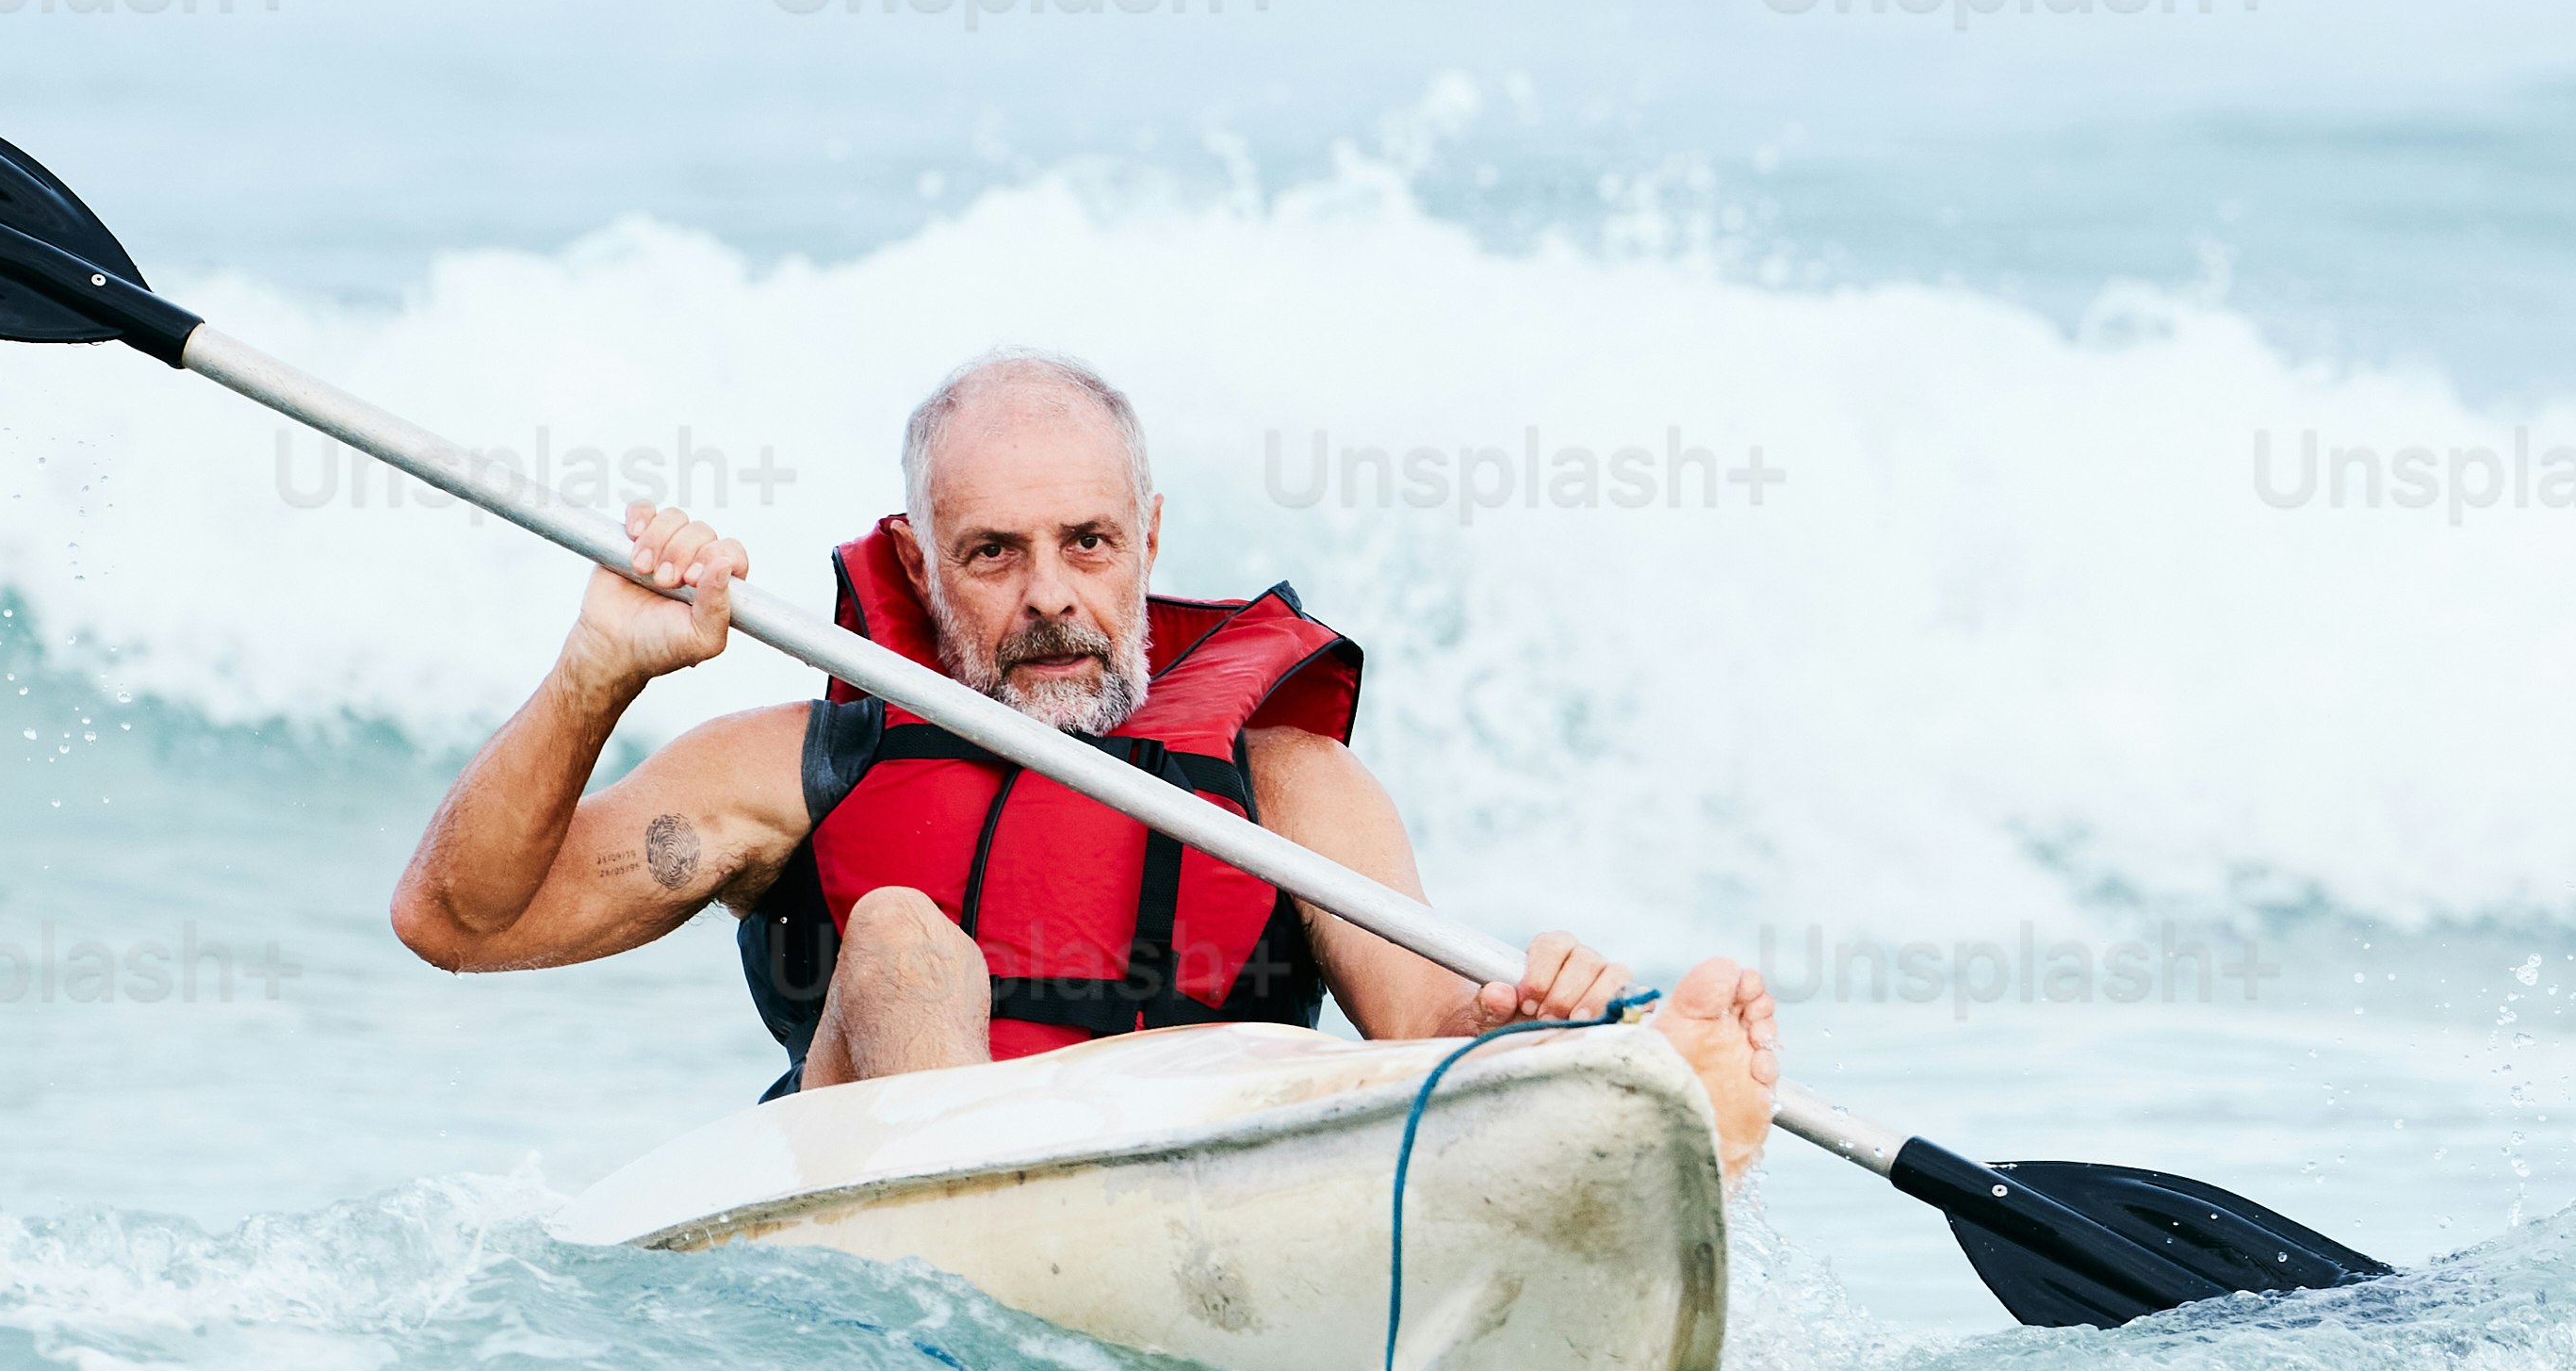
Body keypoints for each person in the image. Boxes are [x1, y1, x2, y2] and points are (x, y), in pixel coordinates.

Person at [388, 346, 1779, 1161]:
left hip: (1187, 1214)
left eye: (1086, 544)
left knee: (1525, 1070)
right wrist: (595, 677)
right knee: (900, 937)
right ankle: (979, 1245)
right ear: (921, 566)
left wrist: (1531, 1021)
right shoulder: (793, 771)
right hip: (871, 1226)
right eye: (992, 553)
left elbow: (1422, 1036)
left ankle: (1671, 1115)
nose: (1048, 596)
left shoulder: (1286, 790)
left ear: (1149, 544)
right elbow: (458, 923)